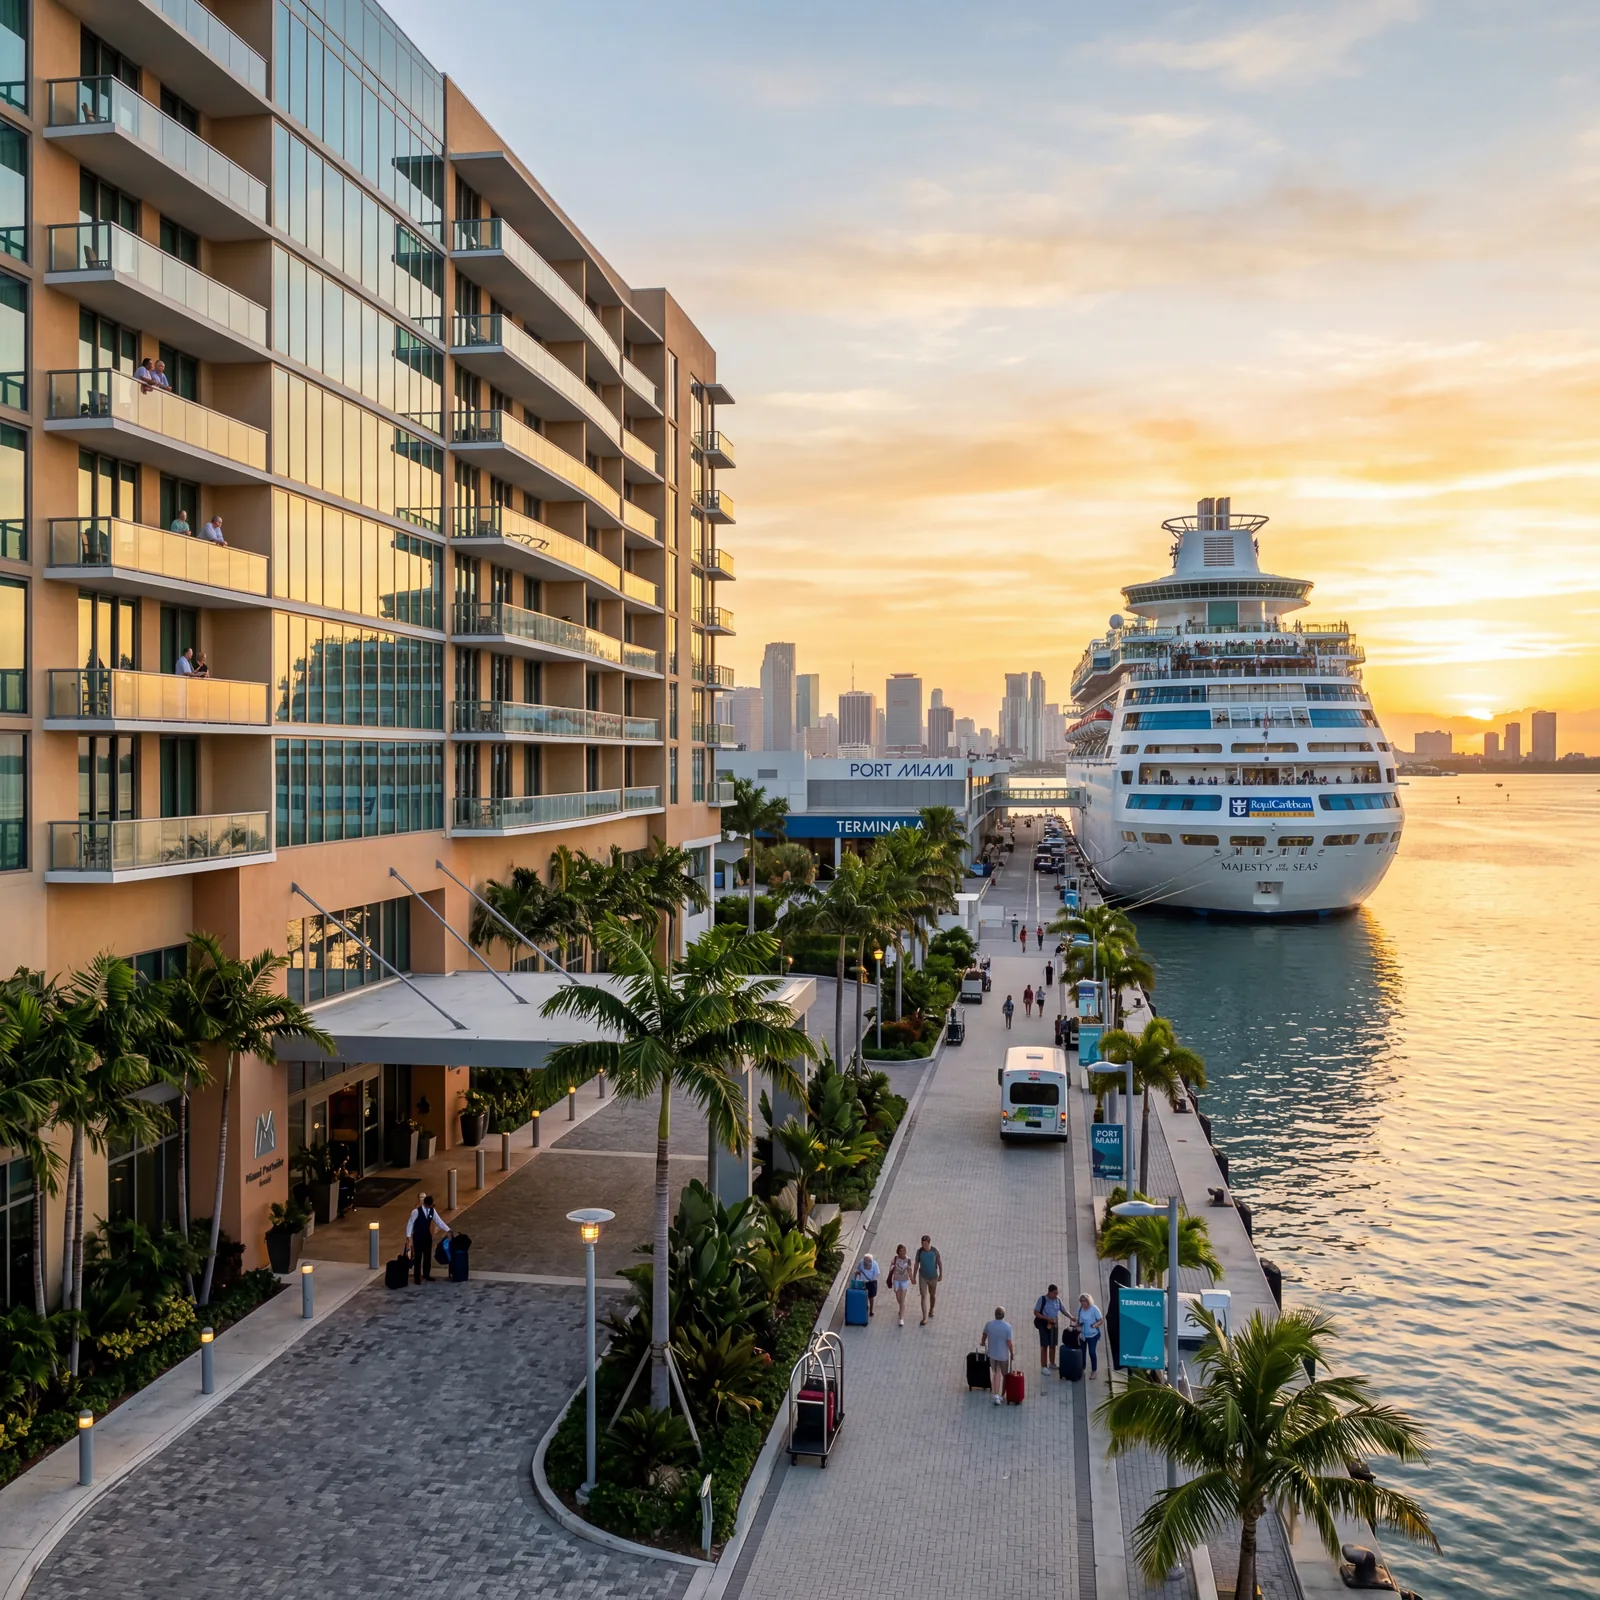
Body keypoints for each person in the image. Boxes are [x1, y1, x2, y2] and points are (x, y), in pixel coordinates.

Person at [406, 1192, 450, 1283]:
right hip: (418, 1237)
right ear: (425, 1204)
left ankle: (426, 1274)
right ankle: (417, 1277)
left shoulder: (432, 1211)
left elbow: (439, 1221)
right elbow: (410, 1223)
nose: (431, 1207)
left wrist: (448, 1229)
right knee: (418, 1257)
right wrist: (408, 1236)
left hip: (427, 1237)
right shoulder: (416, 1212)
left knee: (427, 1256)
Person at [981, 1306, 1014, 1405]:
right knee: (1004, 1375)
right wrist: (1012, 1353)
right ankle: (1002, 1395)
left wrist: (983, 1342)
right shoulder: (1007, 1327)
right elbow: (1009, 1342)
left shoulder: (989, 1324)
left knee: (996, 1373)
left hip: (992, 1354)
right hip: (1003, 1355)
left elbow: (984, 1334)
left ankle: (995, 1394)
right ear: (1003, 1315)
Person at [1034, 1284, 1064, 1372]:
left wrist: (1071, 1317)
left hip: (1054, 1323)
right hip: (1044, 1323)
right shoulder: (1042, 1299)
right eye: (1054, 1293)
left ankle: (1052, 1362)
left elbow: (1063, 1309)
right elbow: (1036, 1312)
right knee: (1044, 1345)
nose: (1056, 1295)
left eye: (1057, 1293)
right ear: (1049, 1292)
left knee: (1053, 1344)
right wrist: (1046, 1318)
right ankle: (1044, 1366)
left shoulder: (1057, 1300)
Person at [914, 1234, 942, 1324]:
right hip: (923, 1276)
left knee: (932, 1295)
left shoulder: (935, 1251)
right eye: (922, 1244)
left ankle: (931, 1309)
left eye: (925, 1244)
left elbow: (939, 1262)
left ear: (929, 1243)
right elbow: (916, 1264)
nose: (924, 1246)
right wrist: (914, 1276)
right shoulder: (919, 1252)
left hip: (933, 1276)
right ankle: (924, 1317)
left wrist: (941, 1274)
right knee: (923, 1296)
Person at [1077, 1292, 1104, 1377]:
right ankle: (1082, 1368)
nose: (1082, 1303)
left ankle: (1094, 1370)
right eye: (1081, 1301)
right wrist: (1077, 1325)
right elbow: (1078, 1321)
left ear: (1088, 1301)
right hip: (1083, 1335)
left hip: (1092, 1335)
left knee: (1092, 1352)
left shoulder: (1094, 1309)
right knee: (1082, 1352)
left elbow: (1101, 1320)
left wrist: (1095, 1325)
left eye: (1084, 1301)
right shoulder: (1080, 1309)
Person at [887, 1244, 913, 1327]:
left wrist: (912, 1279)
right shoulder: (895, 1259)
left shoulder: (908, 1260)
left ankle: (901, 1318)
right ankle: (901, 1307)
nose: (903, 1252)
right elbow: (890, 1268)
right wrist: (892, 1269)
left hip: (904, 1280)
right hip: (896, 1280)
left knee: (902, 1299)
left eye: (904, 1251)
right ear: (898, 1252)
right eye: (901, 1251)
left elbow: (909, 1270)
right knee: (898, 1298)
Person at [856, 1252, 881, 1318]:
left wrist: (871, 1279)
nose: (866, 1262)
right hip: (863, 1282)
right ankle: (864, 1308)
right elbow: (858, 1269)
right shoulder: (861, 1262)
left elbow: (877, 1273)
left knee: (871, 1297)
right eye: (865, 1260)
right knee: (863, 1296)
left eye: (868, 1260)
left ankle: (871, 1310)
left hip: (871, 1282)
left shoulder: (875, 1264)